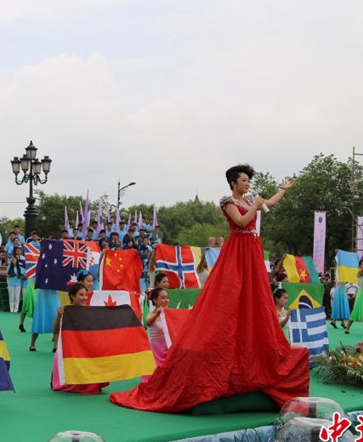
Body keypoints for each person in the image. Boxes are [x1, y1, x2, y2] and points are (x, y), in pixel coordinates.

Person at [110, 165, 308, 413]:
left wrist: (283, 190)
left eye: (249, 180)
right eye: (244, 180)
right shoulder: (228, 202)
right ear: (233, 182)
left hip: (252, 252)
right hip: (238, 251)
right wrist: (256, 205)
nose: (248, 184)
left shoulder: (249, 199)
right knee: (229, 294)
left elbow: (269, 203)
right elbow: (242, 221)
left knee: (253, 297)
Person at [51, 283, 108, 394]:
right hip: (68, 351)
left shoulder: (90, 311)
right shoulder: (64, 311)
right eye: (81, 295)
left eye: (85, 295)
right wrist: (59, 316)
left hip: (85, 350)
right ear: (72, 296)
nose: (84, 298)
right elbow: (55, 330)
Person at [144, 288, 170, 368]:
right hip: (156, 350)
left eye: (167, 297)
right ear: (155, 300)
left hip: (169, 348)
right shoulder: (151, 314)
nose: (166, 300)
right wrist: (157, 313)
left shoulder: (170, 314)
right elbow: (148, 322)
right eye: (163, 298)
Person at [345, 261, 363, 331]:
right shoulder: (359, 272)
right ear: (360, 265)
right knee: (355, 310)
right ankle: (347, 328)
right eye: (362, 264)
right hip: (361, 293)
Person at [7, 247, 25, 313]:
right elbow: (7, 275)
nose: (14, 261)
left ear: (17, 261)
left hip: (18, 283)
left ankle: (16, 309)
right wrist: (10, 275)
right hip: (11, 283)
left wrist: (20, 276)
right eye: (13, 260)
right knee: (11, 297)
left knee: (17, 297)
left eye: (15, 260)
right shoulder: (9, 267)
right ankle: (11, 308)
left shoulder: (19, 267)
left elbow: (23, 274)